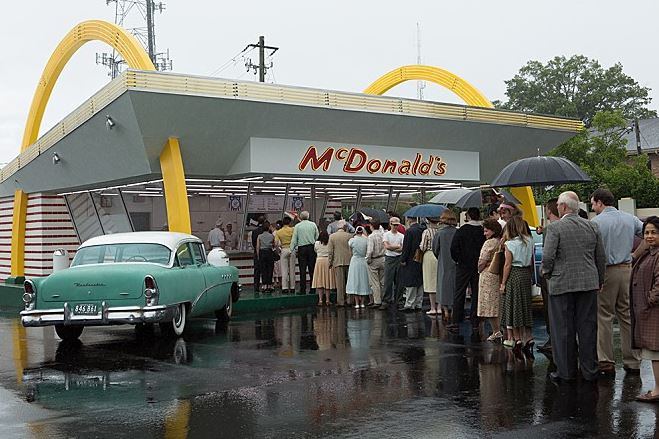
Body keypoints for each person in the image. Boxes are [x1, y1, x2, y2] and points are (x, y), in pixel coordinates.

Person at [541, 191, 605, 383]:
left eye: (558, 205)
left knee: (562, 329)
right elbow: (600, 256)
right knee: (588, 328)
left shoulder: (555, 228)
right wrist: (599, 280)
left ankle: (566, 372)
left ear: (563, 207)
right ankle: (590, 370)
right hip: (588, 283)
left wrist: (547, 274)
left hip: (562, 283)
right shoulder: (592, 226)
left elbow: (548, 257)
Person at [590, 188, 643, 376]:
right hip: (627, 269)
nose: (592, 207)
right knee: (627, 315)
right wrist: (635, 254)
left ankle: (606, 361)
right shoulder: (630, 218)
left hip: (607, 271)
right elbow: (647, 234)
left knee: (604, 315)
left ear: (599, 202)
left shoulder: (596, 223)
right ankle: (633, 361)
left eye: (593, 203)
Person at [630, 216, 659, 402]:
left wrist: (650, 300)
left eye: (654, 232)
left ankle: (657, 391)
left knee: (656, 353)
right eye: (646, 233)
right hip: (649, 310)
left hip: (654, 311)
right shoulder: (650, 252)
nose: (649, 236)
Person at [499, 216, 534, 352]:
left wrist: (503, 283)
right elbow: (531, 260)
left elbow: (507, 265)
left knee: (513, 305)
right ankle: (529, 336)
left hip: (514, 274)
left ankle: (517, 338)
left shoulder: (510, 244)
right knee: (525, 305)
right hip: (526, 274)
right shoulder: (529, 241)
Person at [449, 207, 485, 332]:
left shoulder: (462, 230)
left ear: (468, 216)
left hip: (463, 265)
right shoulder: (482, 230)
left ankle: (456, 321)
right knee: (476, 293)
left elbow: (453, 248)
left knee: (459, 292)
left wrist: (458, 259)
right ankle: (475, 320)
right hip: (479, 265)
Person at [535, 198, 560, 353]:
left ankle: (553, 340)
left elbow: (548, 255)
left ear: (549, 211)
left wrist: (544, 270)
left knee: (550, 309)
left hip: (551, 276)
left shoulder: (551, 229)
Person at [478, 218, 504, 341]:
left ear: (493, 230)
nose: (484, 234)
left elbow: (482, 260)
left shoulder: (488, 243)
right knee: (497, 303)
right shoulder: (500, 241)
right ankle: (500, 329)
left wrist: (479, 268)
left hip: (488, 274)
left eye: (486, 231)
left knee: (490, 305)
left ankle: (496, 331)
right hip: (498, 274)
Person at [433, 210, 458, 321]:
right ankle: (454, 309)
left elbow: (435, 249)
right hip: (456, 262)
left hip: (443, 261)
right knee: (454, 286)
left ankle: (446, 311)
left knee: (442, 286)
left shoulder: (440, 233)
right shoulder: (457, 232)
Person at [400, 216, 426, 312]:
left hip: (411, 258)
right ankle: (418, 303)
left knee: (410, 282)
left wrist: (403, 259)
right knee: (420, 281)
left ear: (409, 219)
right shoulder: (423, 229)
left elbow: (406, 247)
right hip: (422, 257)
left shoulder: (410, 231)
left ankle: (409, 304)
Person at [290, 211, 319, 295]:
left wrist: (291, 249)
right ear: (308, 216)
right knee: (312, 269)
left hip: (302, 249)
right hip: (311, 248)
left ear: (301, 217)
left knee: (302, 269)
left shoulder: (297, 226)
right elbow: (317, 236)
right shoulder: (313, 225)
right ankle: (313, 289)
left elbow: (294, 239)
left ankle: (303, 289)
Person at [381, 216, 405, 309]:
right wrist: (397, 247)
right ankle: (386, 300)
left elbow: (402, 248)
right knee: (388, 281)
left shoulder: (401, 236)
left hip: (398, 258)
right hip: (389, 258)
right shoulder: (386, 234)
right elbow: (387, 247)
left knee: (399, 281)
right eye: (394, 225)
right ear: (390, 224)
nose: (395, 227)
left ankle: (398, 300)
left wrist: (393, 247)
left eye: (397, 225)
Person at [328, 221, 353, 306]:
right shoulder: (349, 236)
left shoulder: (332, 236)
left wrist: (330, 262)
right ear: (345, 227)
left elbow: (330, 251)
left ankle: (340, 301)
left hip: (337, 261)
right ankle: (349, 300)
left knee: (340, 283)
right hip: (349, 261)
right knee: (349, 282)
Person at [346, 226, 371, 308]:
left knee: (355, 280)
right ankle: (362, 303)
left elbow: (350, 248)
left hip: (355, 261)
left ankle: (357, 303)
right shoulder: (366, 240)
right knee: (363, 280)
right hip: (363, 261)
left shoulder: (352, 240)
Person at [420, 217, 440, 315]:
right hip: (439, 256)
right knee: (439, 281)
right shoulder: (440, 231)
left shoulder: (427, 232)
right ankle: (439, 307)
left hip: (429, 255)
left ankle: (433, 308)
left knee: (430, 282)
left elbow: (423, 247)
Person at [366, 218, 385, 307]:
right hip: (383, 258)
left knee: (375, 282)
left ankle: (377, 301)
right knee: (382, 281)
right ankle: (384, 298)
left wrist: (368, 260)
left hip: (374, 259)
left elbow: (370, 250)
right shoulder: (383, 235)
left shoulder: (371, 237)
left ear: (372, 226)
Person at [313, 231, 335, 306]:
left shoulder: (317, 243)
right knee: (327, 281)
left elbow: (315, 250)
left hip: (319, 261)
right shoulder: (329, 243)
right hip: (327, 261)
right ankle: (328, 300)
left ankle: (320, 300)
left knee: (320, 281)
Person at [275, 216, 296, 294]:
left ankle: (284, 288)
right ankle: (292, 287)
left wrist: (278, 251)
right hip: (292, 249)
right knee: (292, 270)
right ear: (289, 222)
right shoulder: (293, 230)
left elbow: (276, 243)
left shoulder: (279, 232)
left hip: (283, 250)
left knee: (284, 270)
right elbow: (296, 240)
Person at [256, 220, 275, 293]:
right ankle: (269, 285)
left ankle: (264, 285)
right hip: (269, 252)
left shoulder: (259, 236)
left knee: (263, 269)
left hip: (262, 252)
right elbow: (274, 245)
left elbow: (258, 247)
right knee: (270, 269)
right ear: (269, 228)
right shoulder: (272, 236)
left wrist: (258, 255)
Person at [251, 215, 266, 292]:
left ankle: (256, 287)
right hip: (265, 252)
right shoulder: (266, 231)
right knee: (265, 269)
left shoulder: (254, 231)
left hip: (257, 253)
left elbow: (253, 243)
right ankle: (264, 286)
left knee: (257, 270)